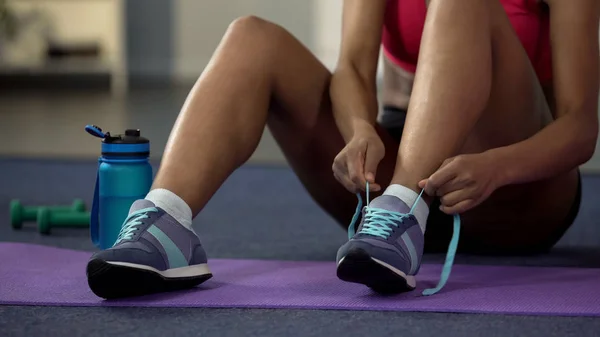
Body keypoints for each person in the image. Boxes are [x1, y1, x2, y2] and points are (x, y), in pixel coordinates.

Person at [85, 0, 600, 299]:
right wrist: (358, 130)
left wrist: (498, 167)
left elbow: (580, 127)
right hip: (396, 178)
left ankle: (401, 210)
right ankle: (165, 222)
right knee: (251, 37)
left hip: (516, 184)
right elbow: (352, 68)